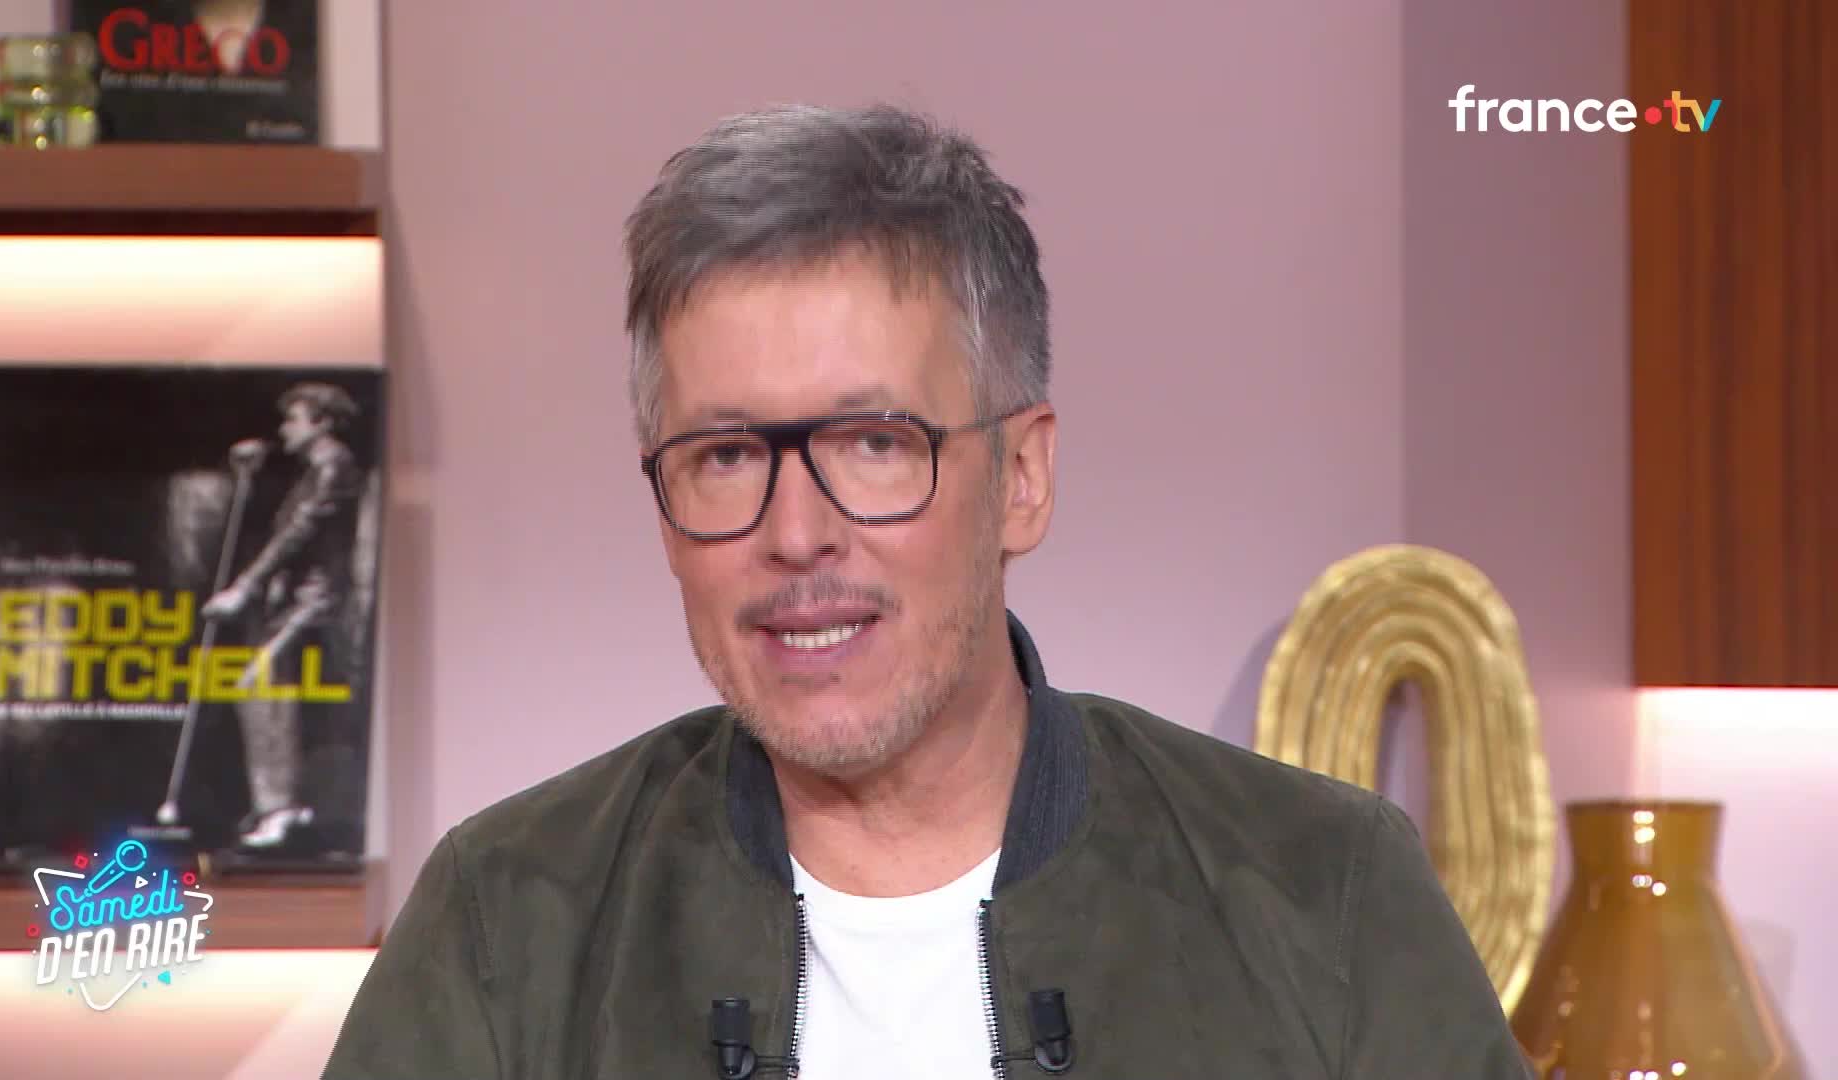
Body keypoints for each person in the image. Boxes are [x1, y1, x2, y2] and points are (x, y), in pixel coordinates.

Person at [321, 104, 1533, 1078]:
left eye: (874, 444)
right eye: (726, 455)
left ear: (1023, 478)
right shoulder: (506, 923)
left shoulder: (1324, 893)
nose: (796, 536)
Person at [201, 381, 365, 849]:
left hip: (317, 601)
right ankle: (280, 803)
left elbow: (296, 534)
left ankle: (281, 807)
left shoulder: (333, 467)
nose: (283, 428)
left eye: (293, 419)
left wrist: (243, 588)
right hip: (298, 598)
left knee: (261, 686)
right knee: (268, 690)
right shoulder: (314, 468)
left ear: (322, 423)